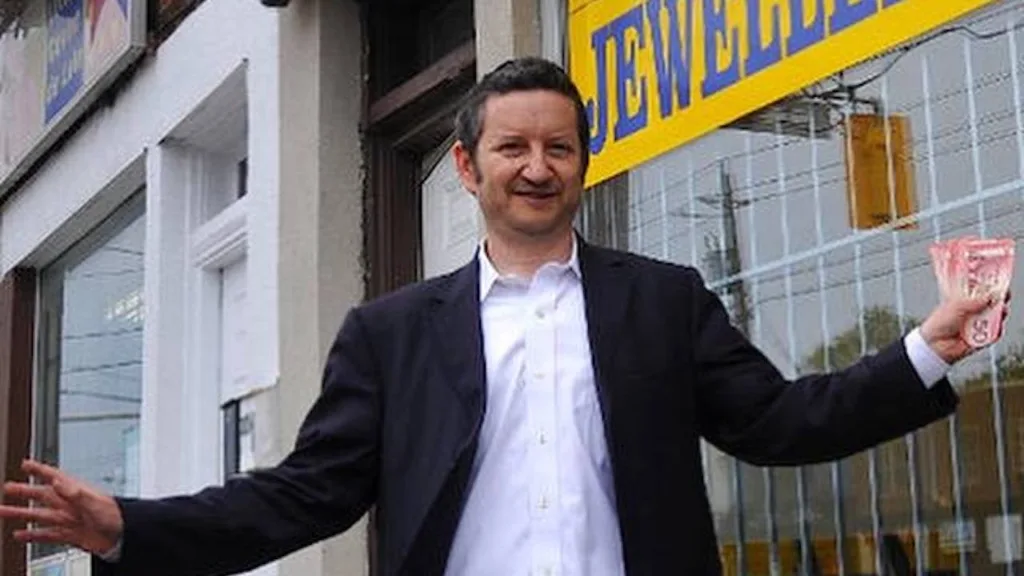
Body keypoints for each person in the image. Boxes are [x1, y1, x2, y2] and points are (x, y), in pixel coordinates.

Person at [0, 57, 1011, 576]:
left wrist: (927, 347)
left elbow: (784, 423)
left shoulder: (660, 303)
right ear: (466, 165)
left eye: (560, 148)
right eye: (514, 147)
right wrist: (132, 527)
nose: (538, 167)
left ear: (581, 161)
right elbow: (303, 496)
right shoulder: (391, 335)